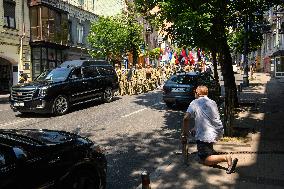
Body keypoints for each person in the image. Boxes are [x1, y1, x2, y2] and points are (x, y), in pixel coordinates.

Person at [181, 86, 238, 174]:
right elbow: (205, 118)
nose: (194, 94)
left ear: (198, 94)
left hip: (206, 134)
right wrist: (195, 128)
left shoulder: (195, 103)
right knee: (206, 147)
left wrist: (184, 134)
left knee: (204, 159)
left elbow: (185, 118)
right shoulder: (212, 102)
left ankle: (226, 158)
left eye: (195, 92)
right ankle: (211, 152)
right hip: (216, 131)